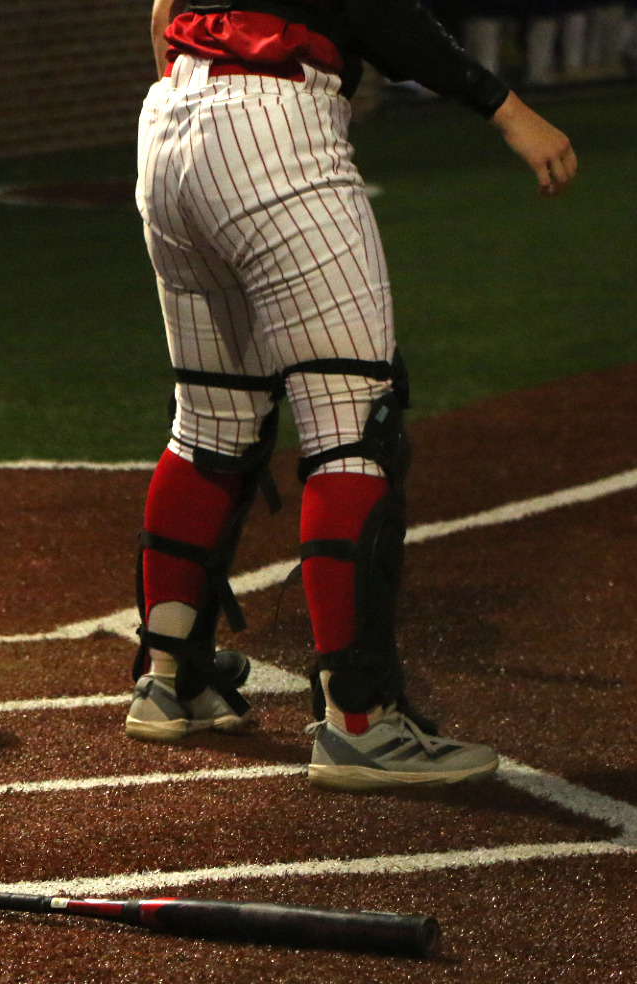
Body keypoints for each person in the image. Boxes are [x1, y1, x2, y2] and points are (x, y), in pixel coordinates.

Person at [125, 0, 577, 790]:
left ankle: (172, 680)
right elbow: (383, 12)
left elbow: (164, 7)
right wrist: (508, 110)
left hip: (169, 119)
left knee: (212, 419)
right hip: (272, 123)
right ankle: (361, 723)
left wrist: (189, 89)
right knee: (352, 427)